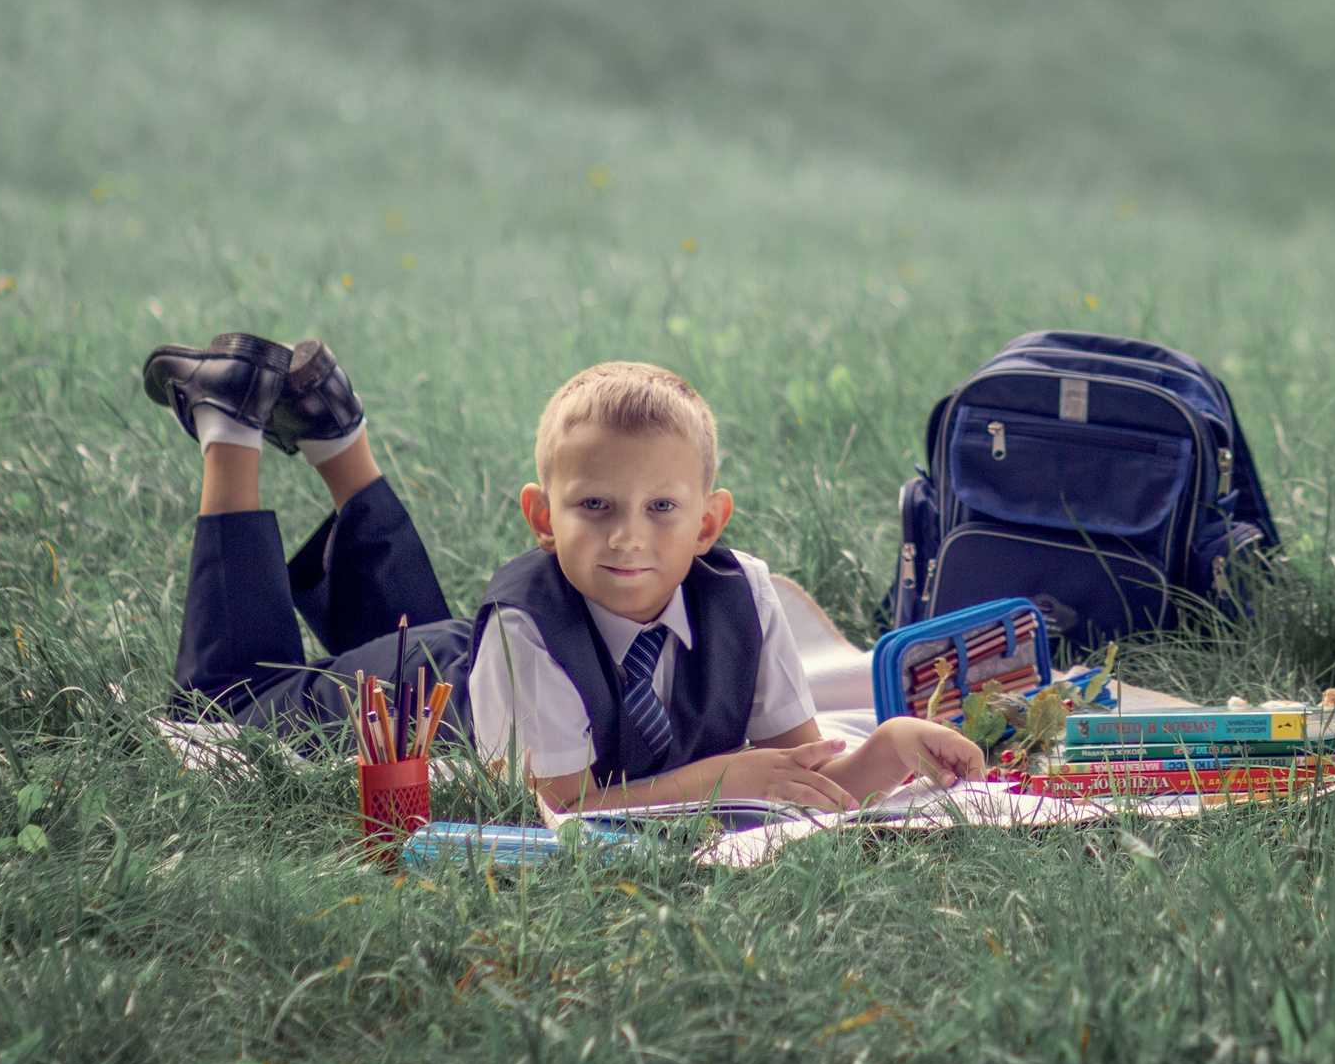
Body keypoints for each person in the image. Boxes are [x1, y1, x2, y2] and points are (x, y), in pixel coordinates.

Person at [143, 333, 982, 811]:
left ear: (709, 523)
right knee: (225, 702)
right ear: (544, 519)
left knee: (417, 636)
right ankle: (231, 427)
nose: (628, 537)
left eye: (661, 509)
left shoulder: (744, 592)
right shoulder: (527, 629)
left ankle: (333, 426)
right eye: (594, 507)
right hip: (432, 690)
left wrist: (890, 745)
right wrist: (722, 776)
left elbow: (803, 776)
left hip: (474, 663)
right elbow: (565, 806)